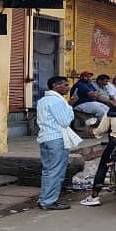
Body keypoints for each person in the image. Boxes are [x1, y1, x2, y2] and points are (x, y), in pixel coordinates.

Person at [36, 76, 74, 210]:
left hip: (46, 138)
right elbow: (65, 121)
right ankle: (49, 201)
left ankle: (44, 199)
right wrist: (70, 107)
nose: (68, 87)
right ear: (55, 86)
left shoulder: (42, 100)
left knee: (48, 170)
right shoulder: (57, 101)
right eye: (64, 85)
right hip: (56, 138)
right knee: (56, 171)